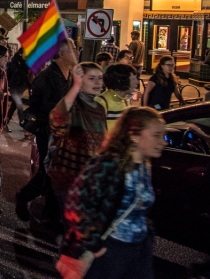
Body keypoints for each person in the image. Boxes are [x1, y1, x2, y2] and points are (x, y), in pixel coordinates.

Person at [57, 107, 165, 279]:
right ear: (134, 135)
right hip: (110, 250)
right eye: (156, 135)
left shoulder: (144, 165)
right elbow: (76, 205)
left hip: (138, 251)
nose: (163, 141)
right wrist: (95, 244)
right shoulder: (107, 165)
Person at [16, 38, 78, 223]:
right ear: (60, 54)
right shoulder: (47, 77)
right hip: (48, 132)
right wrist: (62, 108)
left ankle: (48, 211)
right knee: (49, 172)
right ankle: (42, 209)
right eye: (72, 49)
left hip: (63, 132)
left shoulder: (70, 76)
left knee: (55, 172)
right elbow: (36, 105)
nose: (76, 53)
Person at [48, 62, 108, 217]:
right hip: (70, 178)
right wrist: (75, 87)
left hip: (91, 181)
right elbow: (58, 119)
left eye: (100, 78)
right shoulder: (74, 106)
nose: (97, 83)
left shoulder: (100, 108)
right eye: (92, 78)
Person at [97, 64, 138, 129]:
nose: (137, 82)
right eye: (133, 79)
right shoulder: (102, 102)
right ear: (121, 81)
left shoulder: (125, 100)